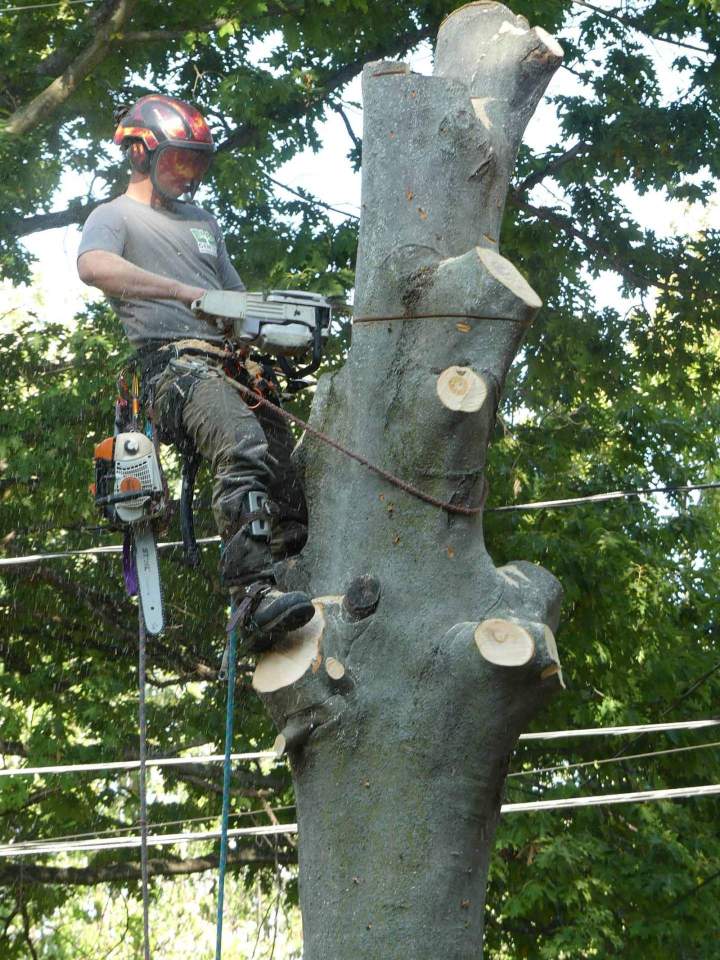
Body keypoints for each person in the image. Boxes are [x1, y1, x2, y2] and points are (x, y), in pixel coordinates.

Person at [77, 93, 315, 648]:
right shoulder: (113, 217)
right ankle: (251, 597)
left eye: (196, 164)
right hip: (170, 365)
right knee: (240, 444)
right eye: (177, 162)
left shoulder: (203, 221)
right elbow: (93, 267)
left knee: (289, 493)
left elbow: (233, 298)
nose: (187, 175)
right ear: (140, 155)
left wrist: (278, 325)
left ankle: (293, 585)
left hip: (232, 364)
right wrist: (186, 293)